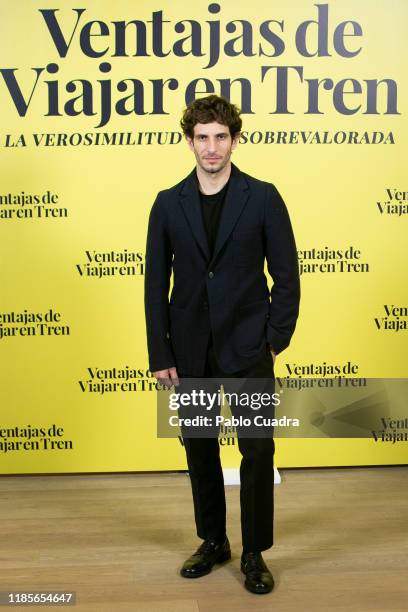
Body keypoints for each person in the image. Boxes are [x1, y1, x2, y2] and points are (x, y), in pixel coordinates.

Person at [144, 94, 300, 594]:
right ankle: (213, 540)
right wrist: (160, 353)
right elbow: (154, 284)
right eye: (202, 137)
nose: (212, 147)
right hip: (189, 350)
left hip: (249, 347)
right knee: (200, 449)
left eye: (220, 137)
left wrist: (273, 340)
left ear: (234, 139)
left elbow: (287, 275)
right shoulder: (168, 203)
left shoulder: (264, 196)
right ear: (189, 141)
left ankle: (254, 551)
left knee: (257, 451)